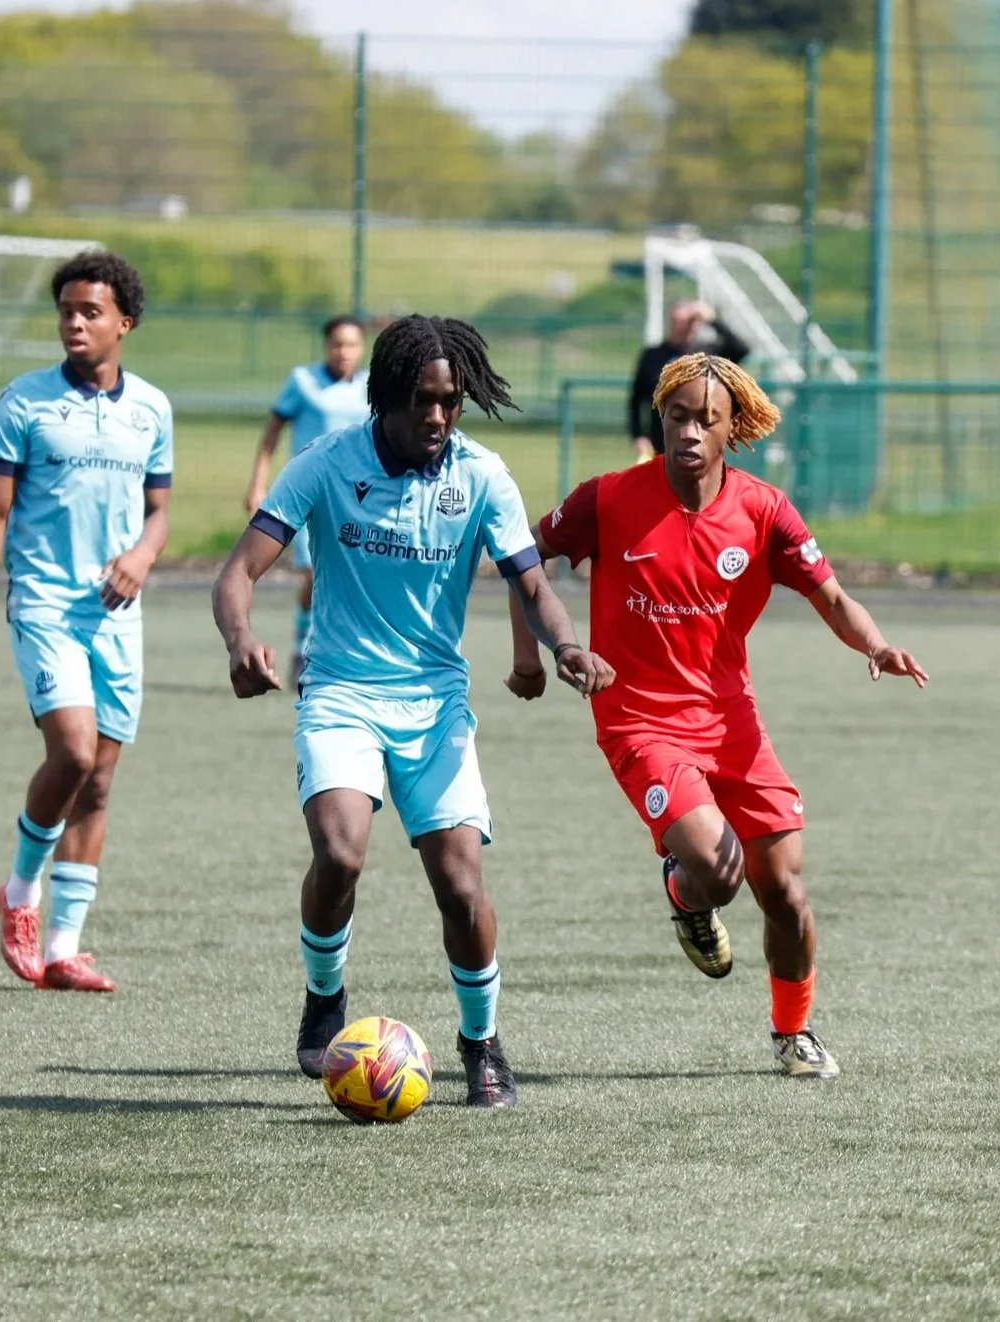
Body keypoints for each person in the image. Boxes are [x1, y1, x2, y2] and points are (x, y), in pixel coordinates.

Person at [213, 314, 614, 1108]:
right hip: (341, 695)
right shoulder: (326, 465)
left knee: (462, 886)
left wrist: (565, 646)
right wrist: (240, 641)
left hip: (435, 705)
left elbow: (530, 582)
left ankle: (483, 1042)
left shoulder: (483, 476)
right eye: (422, 401)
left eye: (451, 402)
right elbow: (237, 573)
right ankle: (325, 994)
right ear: (386, 397)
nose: (437, 417)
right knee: (340, 853)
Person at [508, 353, 927, 1079]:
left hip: (733, 723)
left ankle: (792, 1035)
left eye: (708, 419)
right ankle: (685, 890)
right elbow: (522, 560)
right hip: (638, 721)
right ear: (660, 418)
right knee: (716, 869)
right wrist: (534, 656)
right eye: (678, 416)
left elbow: (830, 596)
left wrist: (877, 643)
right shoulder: (606, 499)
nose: (691, 432)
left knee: (787, 894)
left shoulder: (764, 510)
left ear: (735, 428)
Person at [0, 251, 173, 994]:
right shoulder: (24, 403)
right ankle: (19, 894)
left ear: (124, 324)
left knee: (101, 783)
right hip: (44, 602)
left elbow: (160, 512)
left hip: (117, 614)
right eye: (66, 310)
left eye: (91, 311)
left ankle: (65, 949)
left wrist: (141, 554)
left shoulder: (153, 410)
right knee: (72, 754)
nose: (74, 322)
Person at [244, 315, 371, 681]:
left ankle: (340, 652)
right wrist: (258, 485)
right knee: (316, 574)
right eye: (337, 344)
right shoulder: (303, 382)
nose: (343, 351)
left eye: (351, 344)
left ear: (361, 349)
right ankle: (303, 649)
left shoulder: (370, 386)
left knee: (349, 577)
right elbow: (271, 433)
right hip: (310, 495)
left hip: (359, 499)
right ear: (326, 346)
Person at [627, 299, 746, 464]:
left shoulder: (708, 353)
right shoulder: (653, 354)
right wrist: (639, 435)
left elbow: (741, 349)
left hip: (701, 439)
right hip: (661, 440)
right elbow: (636, 398)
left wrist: (713, 321)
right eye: (678, 321)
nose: (682, 326)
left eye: (688, 321)